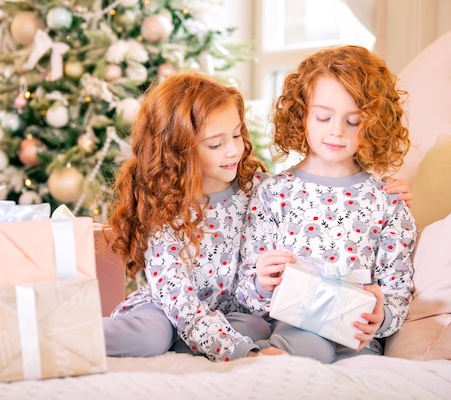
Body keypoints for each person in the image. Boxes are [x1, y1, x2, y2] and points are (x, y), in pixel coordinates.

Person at [236, 45, 417, 364]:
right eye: (323, 117)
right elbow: (247, 293)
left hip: (357, 340)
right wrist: (262, 282)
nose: (336, 131)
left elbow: (398, 290)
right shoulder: (273, 194)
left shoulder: (388, 202)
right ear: (301, 114)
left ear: (374, 124)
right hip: (293, 332)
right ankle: (267, 362)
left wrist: (383, 317)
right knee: (299, 342)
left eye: (354, 121)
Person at [102, 72, 286, 362]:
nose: (234, 150)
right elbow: (178, 299)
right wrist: (241, 353)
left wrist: (384, 185)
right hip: (167, 307)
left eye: (237, 134)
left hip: (232, 311)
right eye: (215, 144)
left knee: (254, 326)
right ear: (178, 151)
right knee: (152, 336)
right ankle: (59, 335)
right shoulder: (164, 205)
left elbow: (308, 195)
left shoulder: (258, 189)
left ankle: (195, 341)